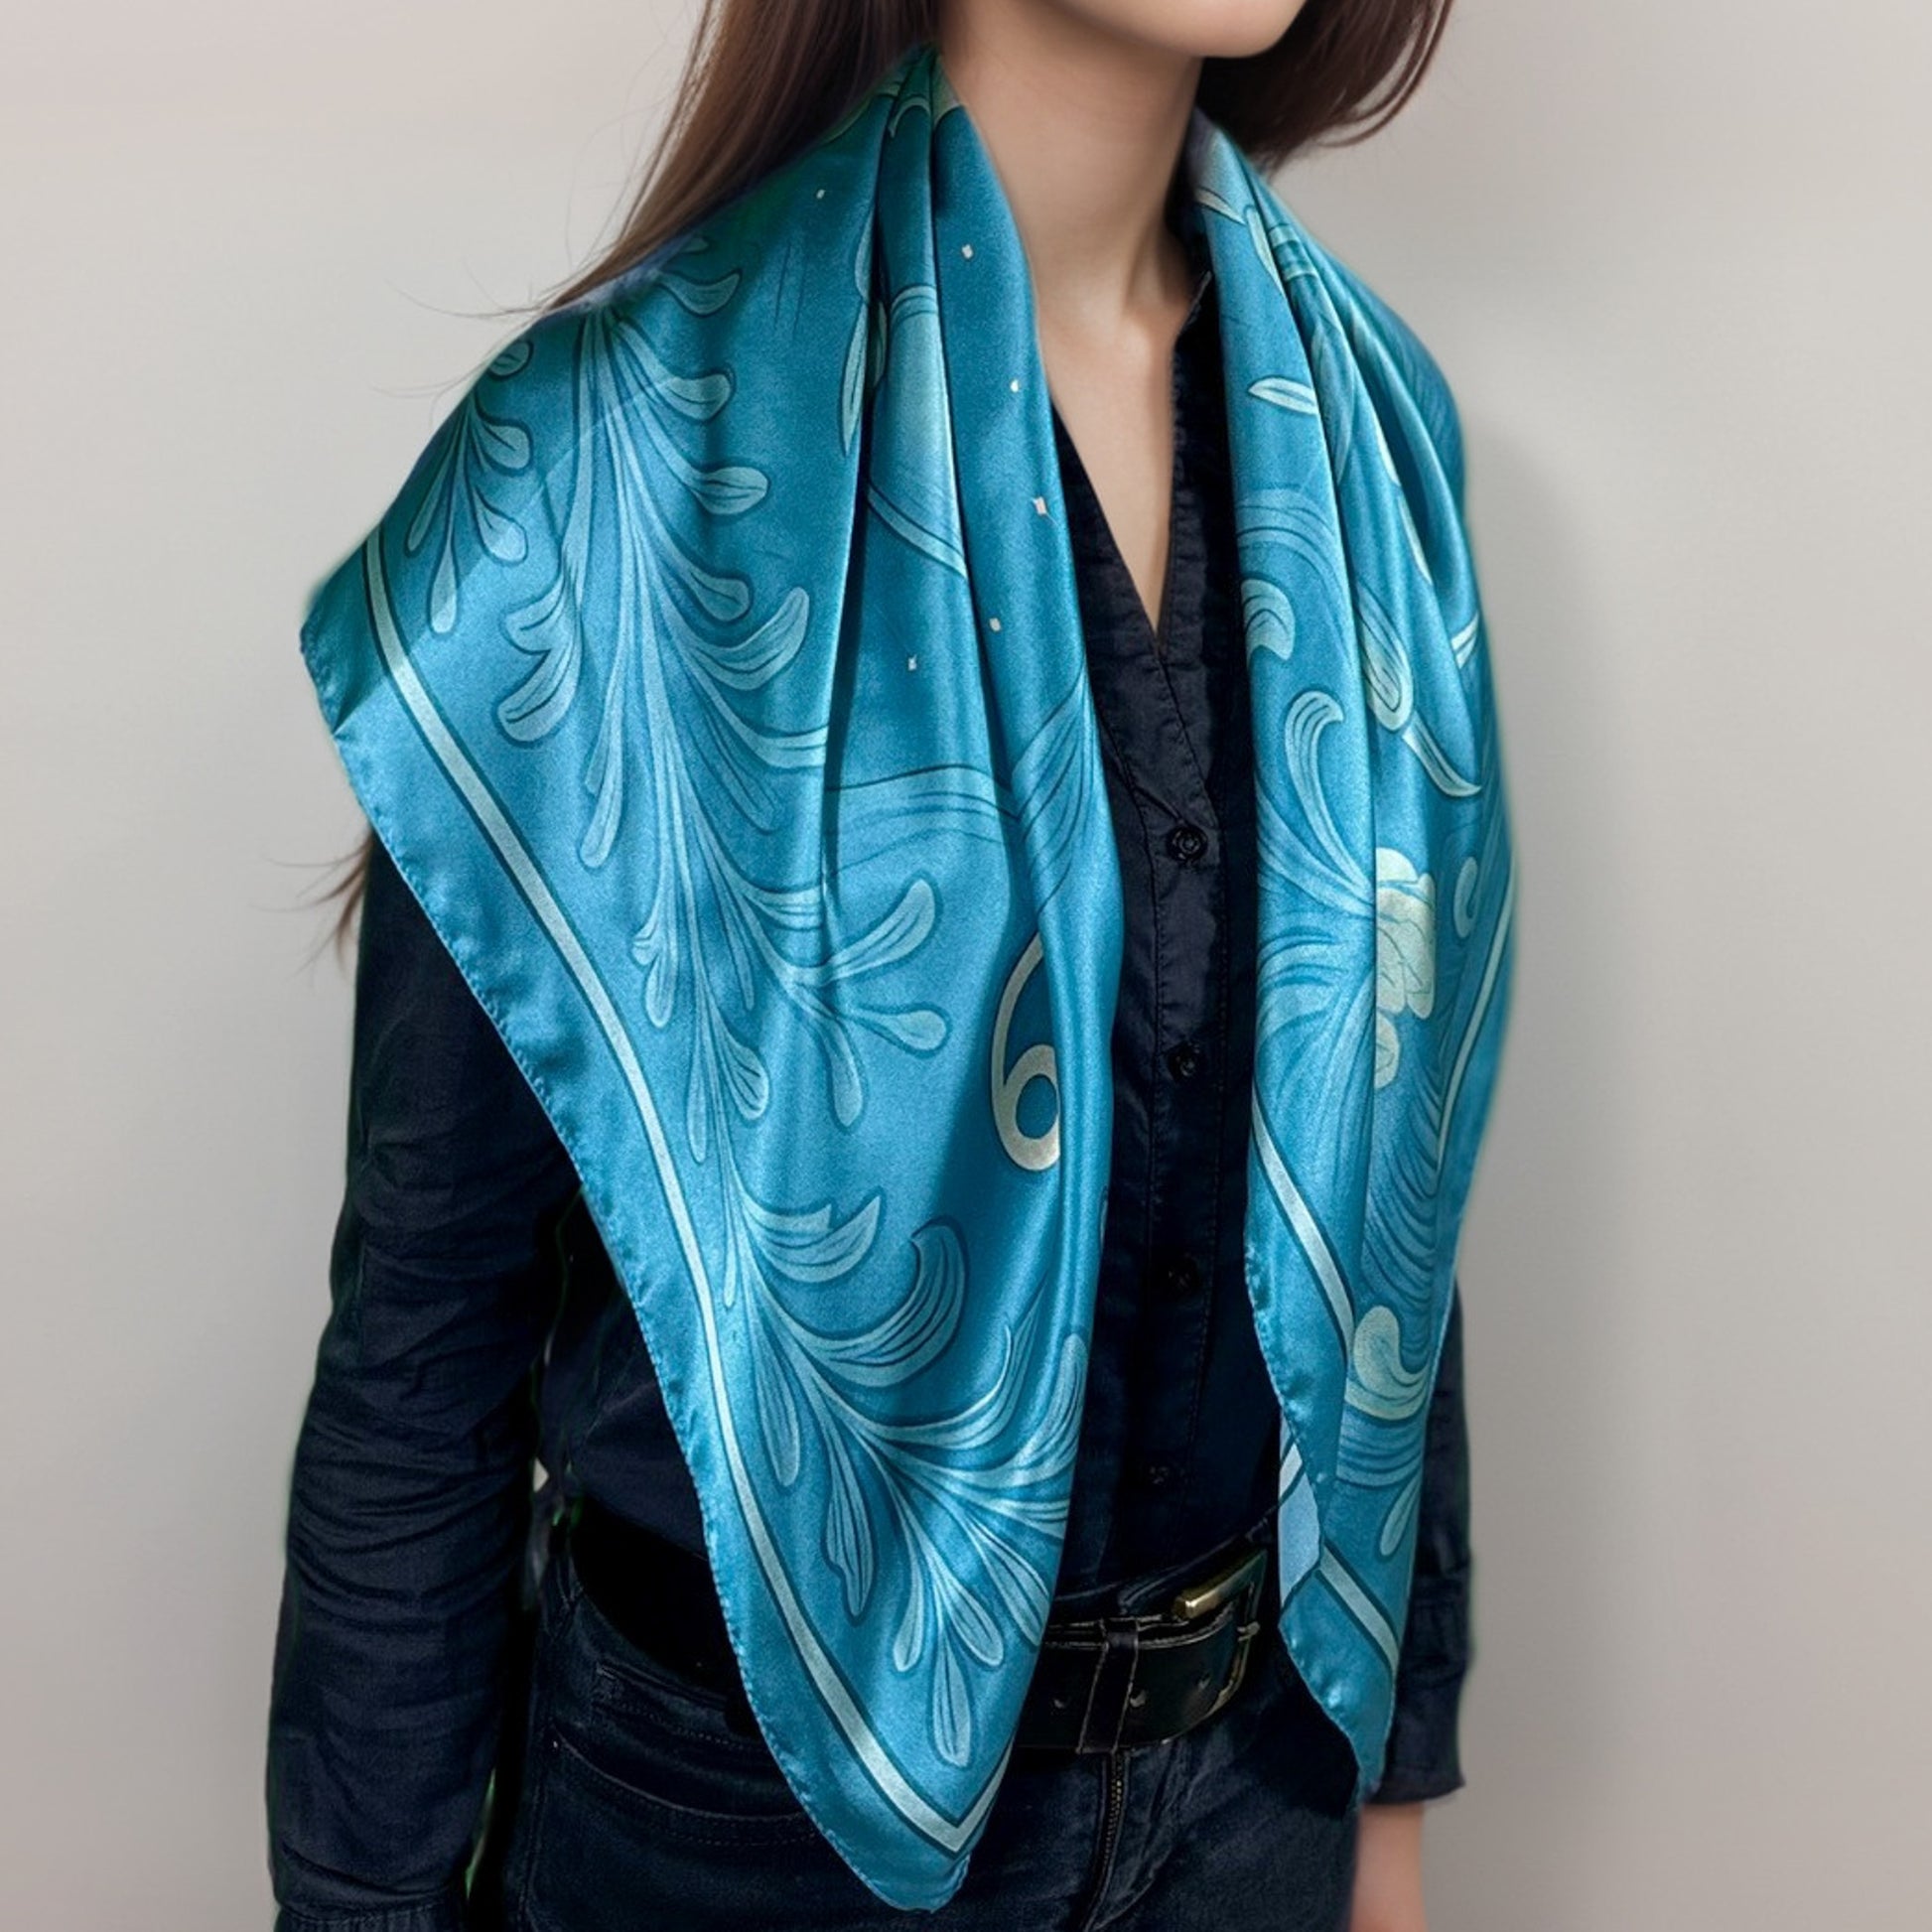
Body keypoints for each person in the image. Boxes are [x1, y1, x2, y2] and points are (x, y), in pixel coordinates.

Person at [268, 4, 1502, 1930]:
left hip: (1255, 1796)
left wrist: (1389, 1794)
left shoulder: (1373, 443)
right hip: (736, 1839)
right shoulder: (611, 465)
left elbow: (1374, 1190)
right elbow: (427, 1336)